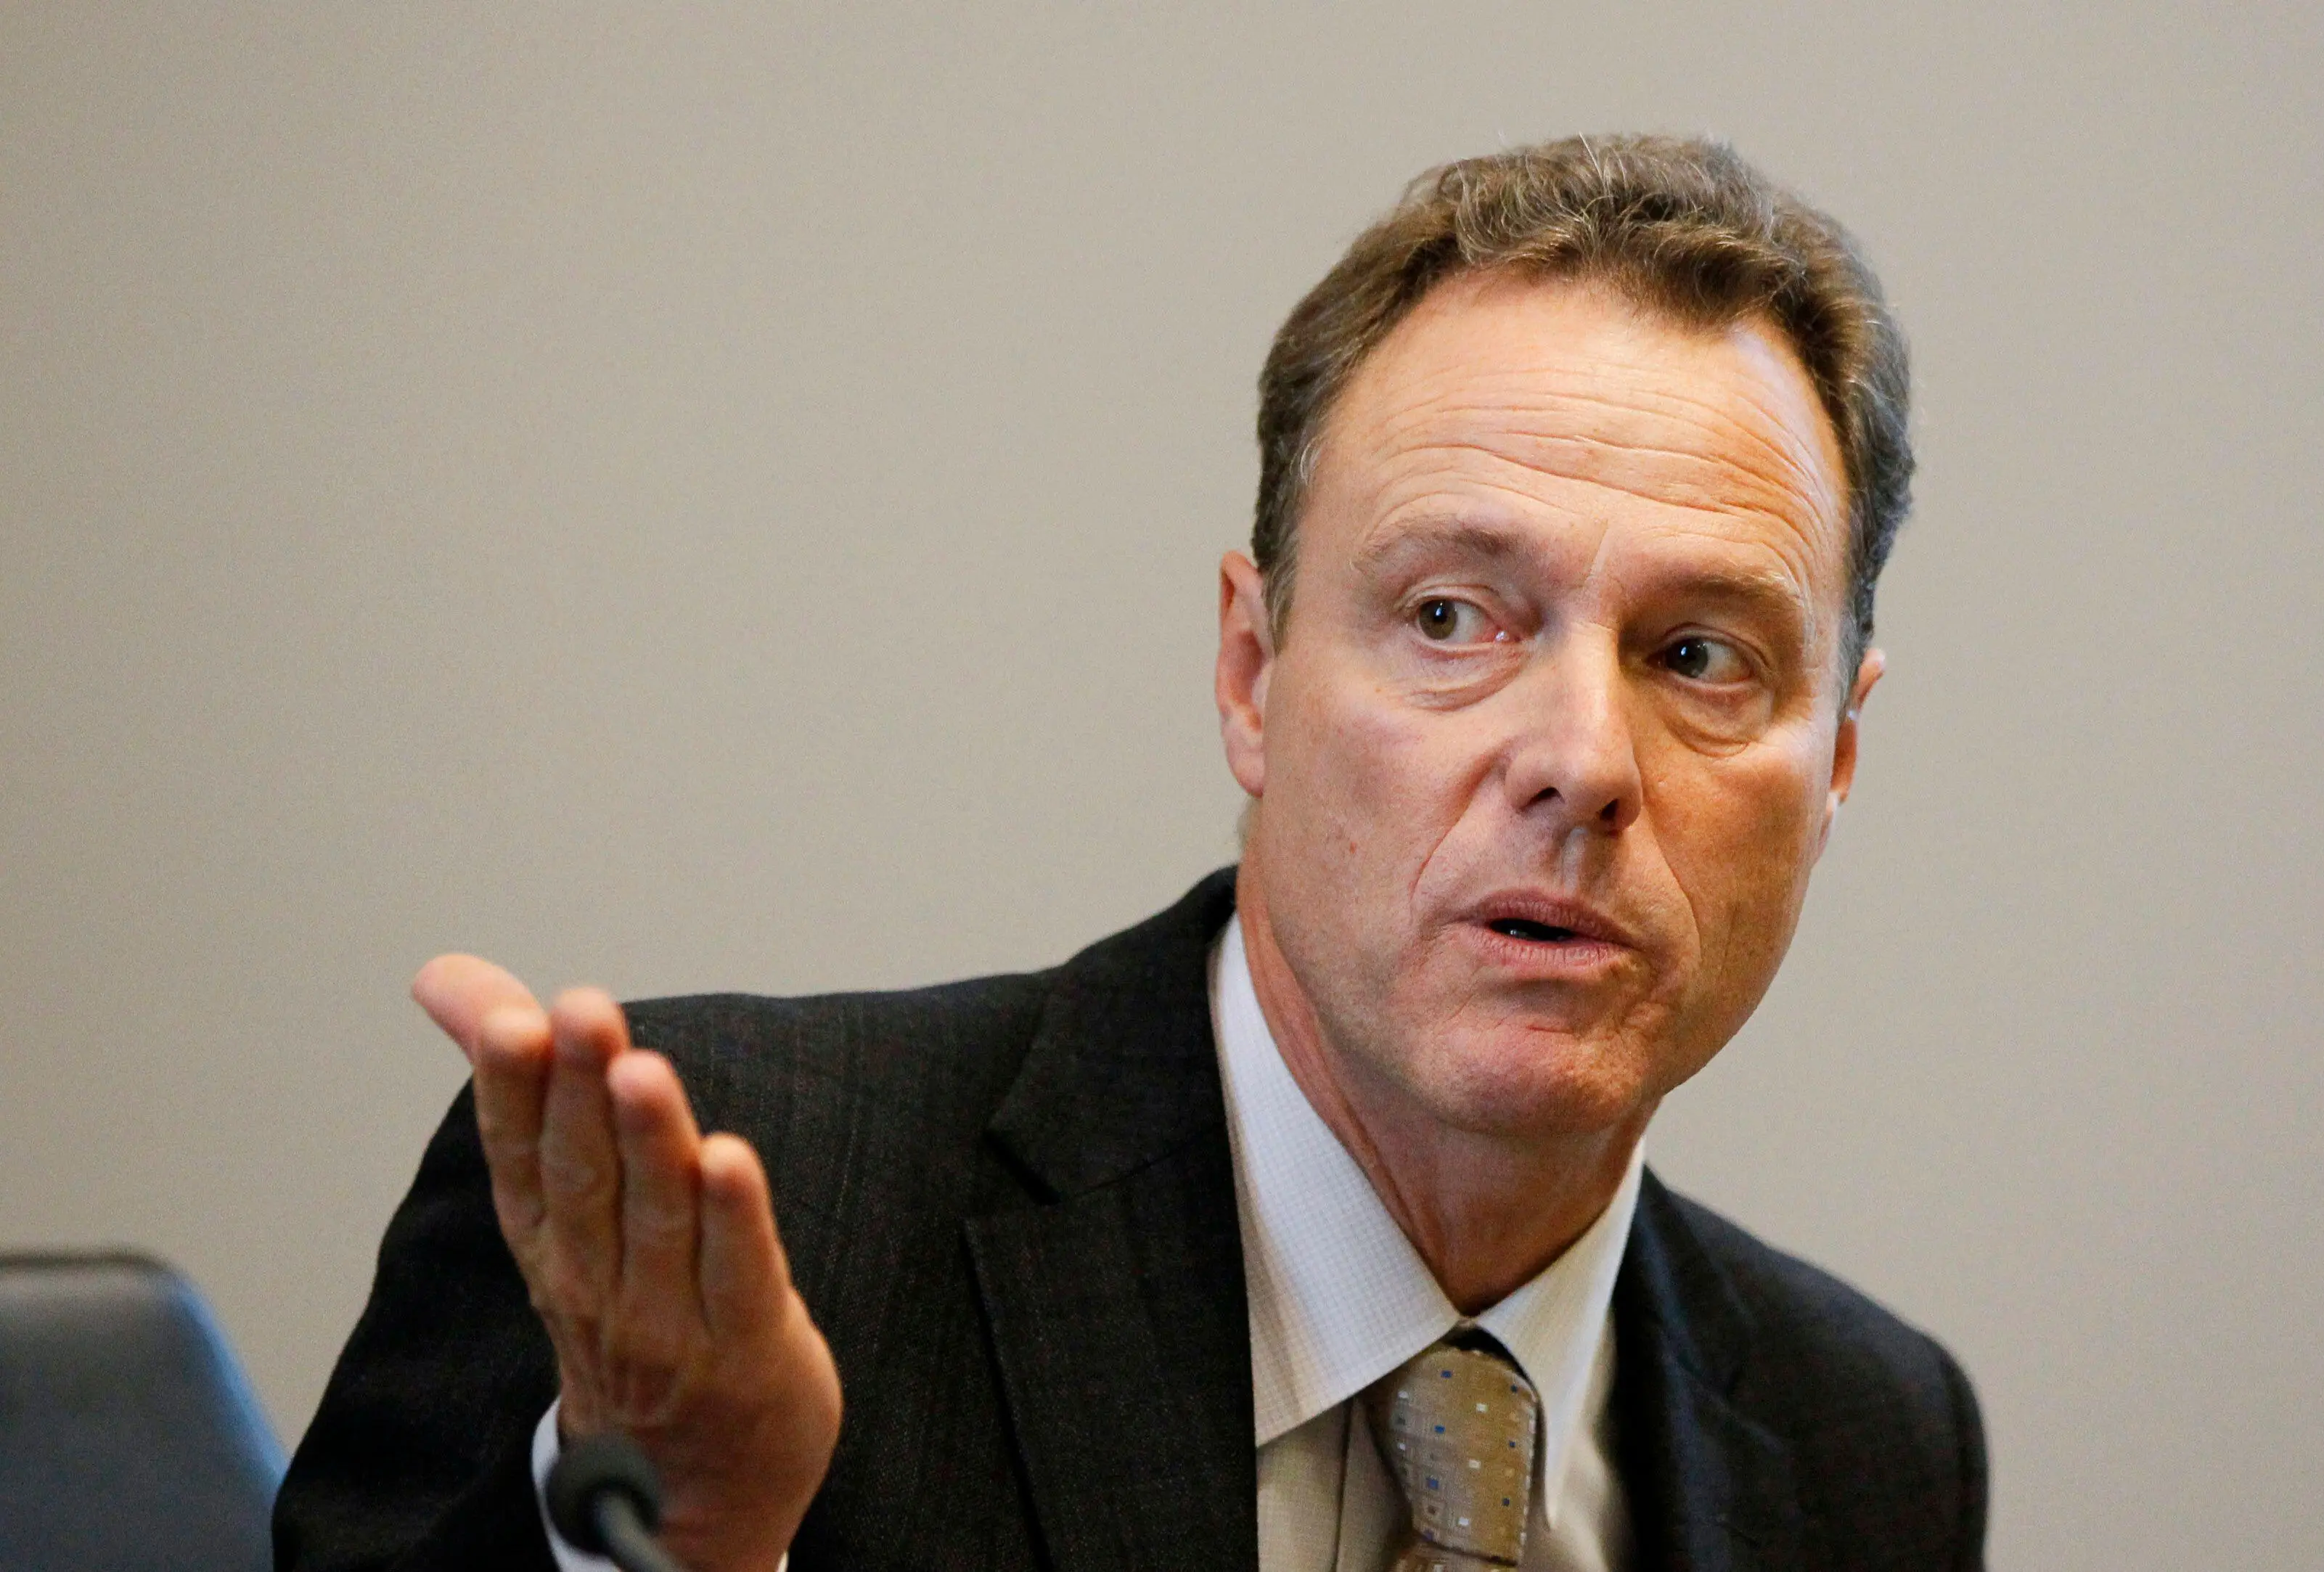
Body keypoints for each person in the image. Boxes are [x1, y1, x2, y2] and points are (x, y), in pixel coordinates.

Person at [275, 135, 1987, 1572]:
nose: (1578, 763)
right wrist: (677, 1540)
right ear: (1253, 676)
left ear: (1833, 759)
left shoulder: (1864, 1444)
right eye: (1453, 616)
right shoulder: (719, 1220)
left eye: (1700, 657)